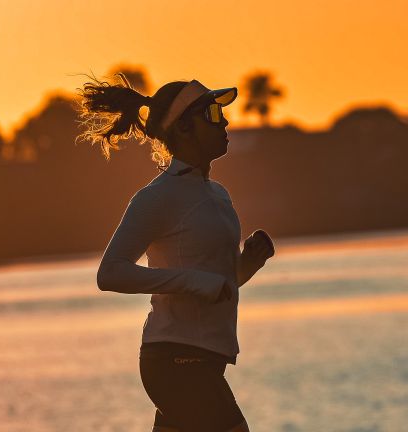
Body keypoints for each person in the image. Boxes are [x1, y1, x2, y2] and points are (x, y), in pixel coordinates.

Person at [76, 73, 275, 432]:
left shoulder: (218, 195)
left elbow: (219, 285)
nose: (225, 120)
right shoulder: (157, 197)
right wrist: (192, 281)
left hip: (205, 360)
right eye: (212, 114)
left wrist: (249, 263)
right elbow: (110, 273)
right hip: (176, 361)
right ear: (184, 129)